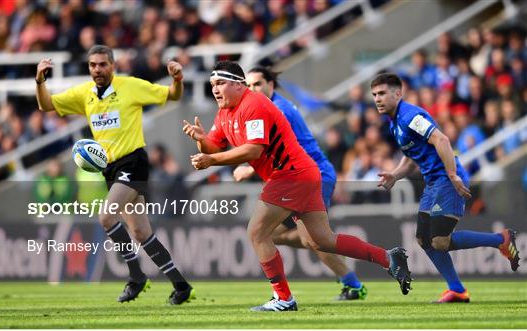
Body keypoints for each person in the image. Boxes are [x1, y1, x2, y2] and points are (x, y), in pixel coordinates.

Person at [182, 61, 412, 312]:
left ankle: (284, 298)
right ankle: (388, 258)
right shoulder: (224, 112)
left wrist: (211, 159)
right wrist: (202, 141)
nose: (215, 89)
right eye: (213, 84)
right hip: (303, 174)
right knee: (323, 240)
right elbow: (214, 146)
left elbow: (253, 149)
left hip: (290, 175)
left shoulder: (254, 104)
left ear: (239, 84)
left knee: (257, 232)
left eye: (220, 83)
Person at [35, 45, 195, 305]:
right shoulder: (83, 94)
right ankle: (181, 285)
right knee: (141, 232)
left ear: (113, 65)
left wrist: (177, 79)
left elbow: (173, 96)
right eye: (93, 65)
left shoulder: (131, 86)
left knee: (107, 215)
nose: (97, 69)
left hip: (133, 162)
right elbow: (46, 105)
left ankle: (136, 277)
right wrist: (40, 81)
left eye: (102, 64)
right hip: (110, 169)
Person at [372, 73, 520, 303]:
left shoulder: (410, 116)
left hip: (448, 179)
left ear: (397, 93)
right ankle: (457, 290)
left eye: (382, 93)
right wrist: (395, 174)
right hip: (434, 182)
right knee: (423, 239)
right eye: (374, 95)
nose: (377, 99)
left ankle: (500, 240)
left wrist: (452, 174)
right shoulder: (394, 124)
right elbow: (412, 157)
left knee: (439, 240)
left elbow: (441, 140)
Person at [234, 66, 367, 301]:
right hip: (295, 179)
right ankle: (329, 241)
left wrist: (248, 166)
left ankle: (353, 284)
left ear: (270, 85)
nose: (252, 89)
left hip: (315, 174)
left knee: (313, 240)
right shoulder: (264, 107)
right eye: (248, 85)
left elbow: (266, 149)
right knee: (270, 233)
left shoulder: (278, 109)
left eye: (257, 84)